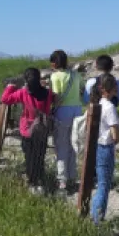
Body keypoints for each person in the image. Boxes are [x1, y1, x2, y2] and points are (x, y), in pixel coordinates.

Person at [1, 68, 53, 191]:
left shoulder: (23, 92)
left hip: (27, 129)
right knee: (40, 156)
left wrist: (10, 87)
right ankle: (40, 181)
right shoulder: (47, 93)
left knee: (29, 157)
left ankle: (32, 182)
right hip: (42, 128)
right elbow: (51, 102)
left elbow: (5, 99)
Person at [48, 50, 84, 193]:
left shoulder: (55, 76)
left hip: (63, 112)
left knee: (61, 146)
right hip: (77, 111)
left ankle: (62, 180)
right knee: (73, 145)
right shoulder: (76, 75)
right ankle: (73, 177)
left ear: (55, 63)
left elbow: (56, 97)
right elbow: (82, 90)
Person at [90, 75, 119, 224]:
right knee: (104, 184)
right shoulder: (110, 107)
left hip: (95, 146)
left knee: (99, 183)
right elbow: (115, 135)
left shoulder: (96, 104)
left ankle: (93, 214)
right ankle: (97, 218)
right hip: (105, 147)